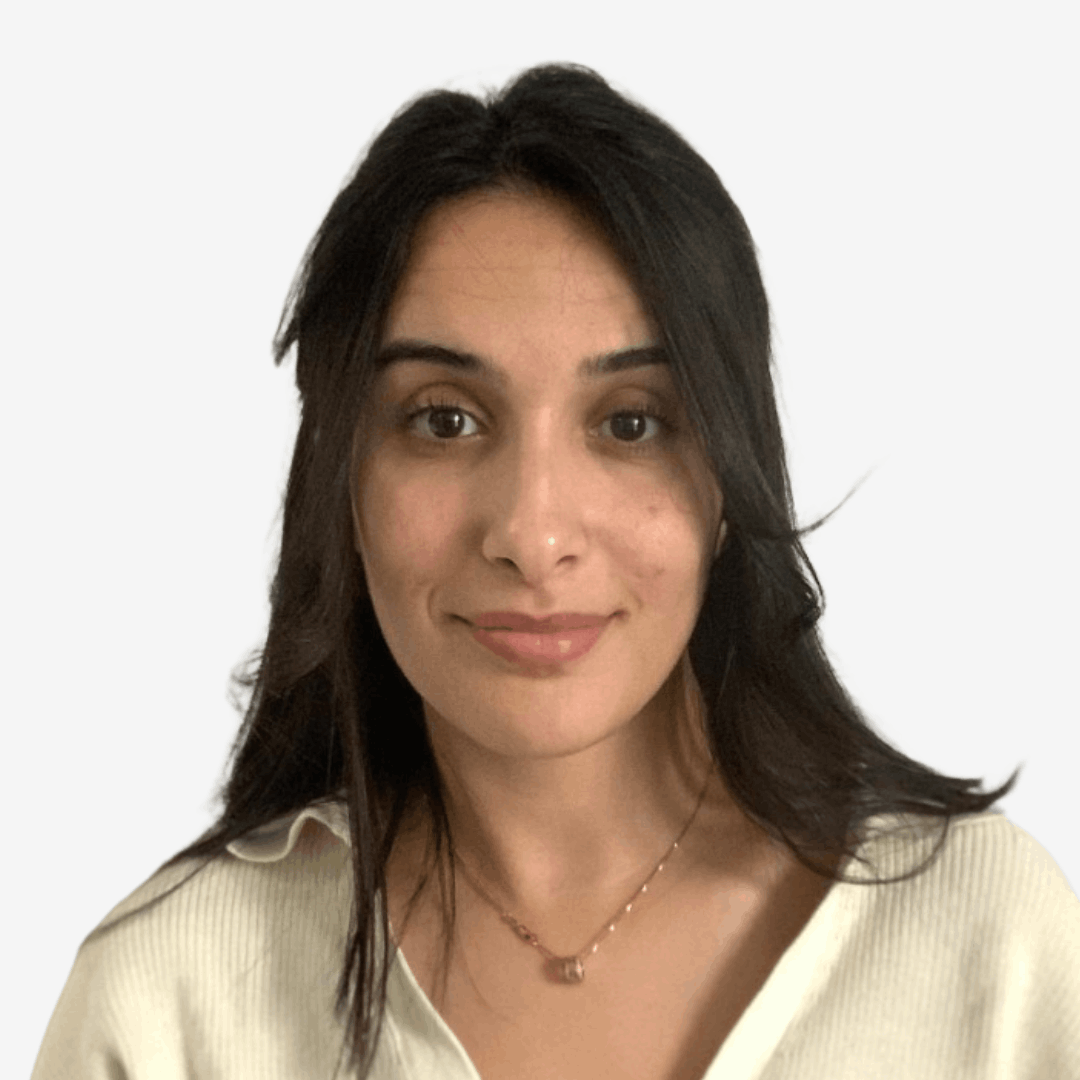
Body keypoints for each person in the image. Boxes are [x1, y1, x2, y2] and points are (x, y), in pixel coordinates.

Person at [33, 64, 1080, 1080]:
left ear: (730, 478)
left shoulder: (995, 947)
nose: (533, 537)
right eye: (444, 420)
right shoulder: (168, 1005)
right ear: (340, 481)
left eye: (630, 423)